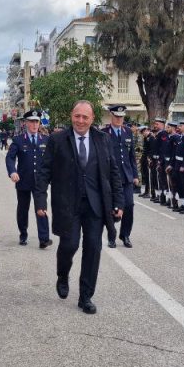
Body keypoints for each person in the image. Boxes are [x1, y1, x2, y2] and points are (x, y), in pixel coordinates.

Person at [34, 100, 123, 315]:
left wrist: (118, 201)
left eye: (85, 117)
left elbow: (113, 171)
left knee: (93, 248)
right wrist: (40, 202)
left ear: (92, 119)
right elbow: (44, 172)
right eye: (77, 116)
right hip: (68, 204)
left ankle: (86, 296)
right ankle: (63, 274)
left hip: (95, 205)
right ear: (71, 116)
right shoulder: (57, 139)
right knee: (70, 245)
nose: (80, 121)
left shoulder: (103, 139)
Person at [5, 110, 51, 249]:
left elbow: (51, 160)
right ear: (25, 123)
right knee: (23, 209)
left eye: (36, 121)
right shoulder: (18, 140)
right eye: (31, 121)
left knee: (41, 208)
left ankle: (44, 239)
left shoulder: (45, 139)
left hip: (40, 182)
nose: (34, 124)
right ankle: (23, 234)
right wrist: (12, 171)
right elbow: (10, 158)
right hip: (23, 181)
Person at [102, 105, 138, 247]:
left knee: (128, 205)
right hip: (111, 177)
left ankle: (125, 235)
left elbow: (131, 156)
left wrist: (135, 174)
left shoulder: (128, 132)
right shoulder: (104, 133)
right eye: (117, 116)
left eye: (121, 117)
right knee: (112, 208)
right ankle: (112, 236)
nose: (119, 119)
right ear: (111, 116)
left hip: (127, 176)